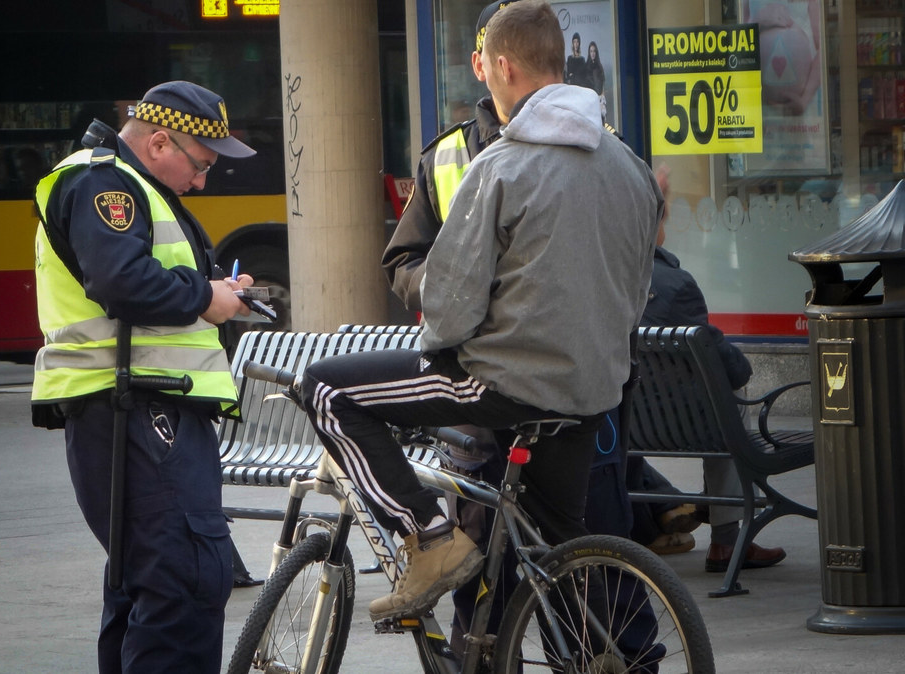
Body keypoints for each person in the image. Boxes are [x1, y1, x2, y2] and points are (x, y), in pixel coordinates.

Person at [302, 0, 662, 625]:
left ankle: (432, 541)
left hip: (503, 386)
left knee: (327, 387)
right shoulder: (627, 165)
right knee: (561, 547)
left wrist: (439, 351)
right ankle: (590, 653)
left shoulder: (500, 163)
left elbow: (449, 303)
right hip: (589, 391)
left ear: (500, 65)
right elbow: (638, 286)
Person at [29, 80, 255, 674]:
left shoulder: (129, 185)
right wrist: (205, 297)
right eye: (201, 164)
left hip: (144, 406)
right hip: (136, 407)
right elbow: (121, 282)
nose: (202, 181)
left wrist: (217, 291)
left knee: (148, 582)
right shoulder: (104, 183)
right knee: (182, 577)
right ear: (159, 142)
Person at [629, 176, 786, 571]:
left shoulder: (601, 275)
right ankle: (726, 542)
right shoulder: (676, 283)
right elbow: (732, 367)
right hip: (688, 426)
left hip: (627, 424)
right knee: (730, 404)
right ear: (656, 227)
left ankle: (698, 506)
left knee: (715, 405)